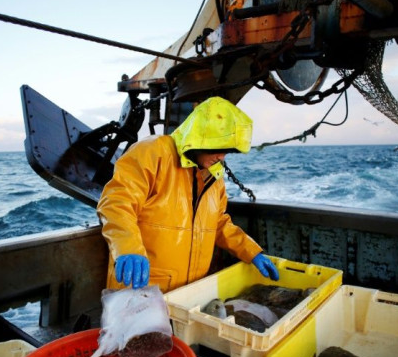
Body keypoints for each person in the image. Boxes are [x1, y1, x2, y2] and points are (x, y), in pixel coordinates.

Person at [96, 96, 279, 292]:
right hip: (142, 287)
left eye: (227, 151)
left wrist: (252, 252)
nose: (221, 157)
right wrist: (128, 247)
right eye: (219, 149)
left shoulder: (214, 179)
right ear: (201, 138)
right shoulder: (152, 151)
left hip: (189, 293)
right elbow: (116, 202)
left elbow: (219, 223)